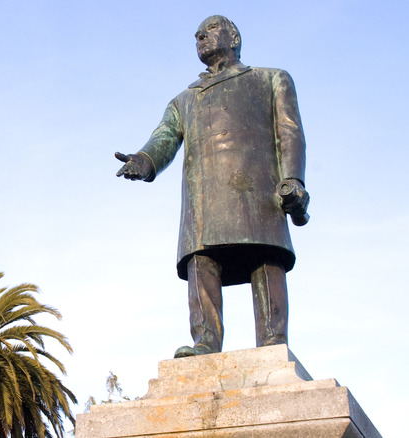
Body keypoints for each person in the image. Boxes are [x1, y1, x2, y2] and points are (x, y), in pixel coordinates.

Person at [115, 15, 310, 358]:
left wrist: (293, 180)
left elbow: (289, 131)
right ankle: (205, 342)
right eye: (197, 35)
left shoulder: (270, 80)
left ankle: (273, 343)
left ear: (234, 37)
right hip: (203, 200)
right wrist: (143, 162)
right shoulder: (184, 100)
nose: (201, 36)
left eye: (211, 29)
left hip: (258, 192)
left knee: (265, 257)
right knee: (201, 260)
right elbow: (164, 137)